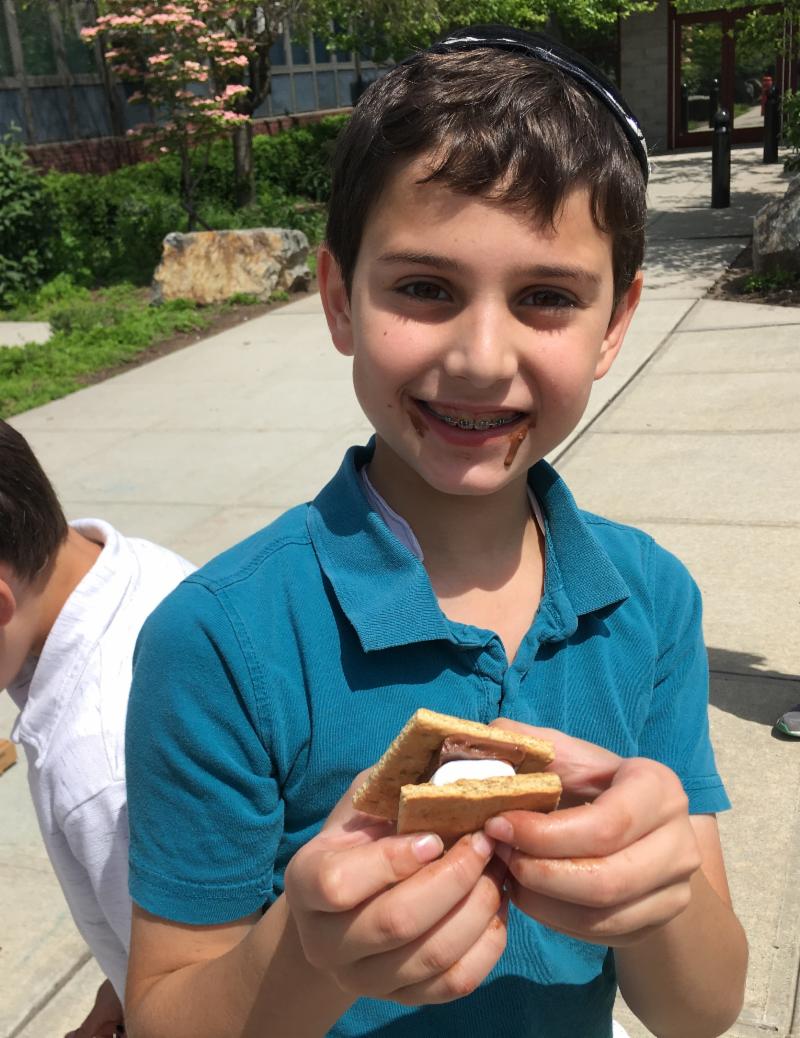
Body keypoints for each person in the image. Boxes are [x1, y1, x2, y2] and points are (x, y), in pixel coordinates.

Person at [123, 25, 748, 1038]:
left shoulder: (651, 598)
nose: (479, 357)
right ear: (339, 298)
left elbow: (701, 1009)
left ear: (615, 323)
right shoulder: (220, 640)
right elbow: (165, 1009)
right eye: (423, 288)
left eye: (547, 297)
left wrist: (658, 897)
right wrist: (310, 953)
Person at [0, 419, 195, 1037]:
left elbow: (197, 998)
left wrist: (145, 996)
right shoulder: (128, 564)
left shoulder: (97, 770)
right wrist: (122, 985)